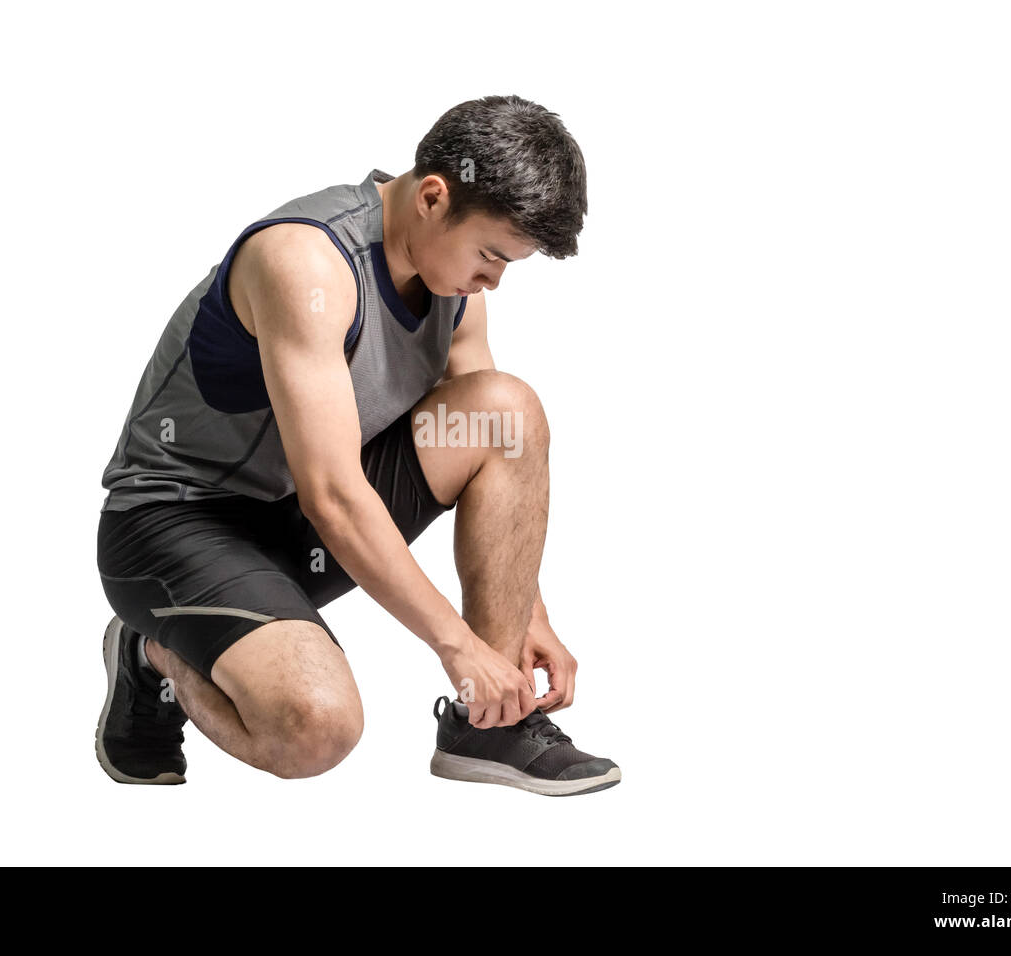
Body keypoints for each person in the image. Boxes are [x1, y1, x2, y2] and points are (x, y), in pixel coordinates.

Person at [94, 94, 620, 796]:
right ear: (434, 197)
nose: (495, 277)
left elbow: (500, 451)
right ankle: (153, 650)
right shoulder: (306, 261)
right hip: (175, 524)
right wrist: (456, 646)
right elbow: (335, 495)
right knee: (316, 727)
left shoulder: (456, 288)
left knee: (506, 409)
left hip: (298, 527)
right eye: (493, 253)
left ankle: (489, 725)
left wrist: (527, 617)